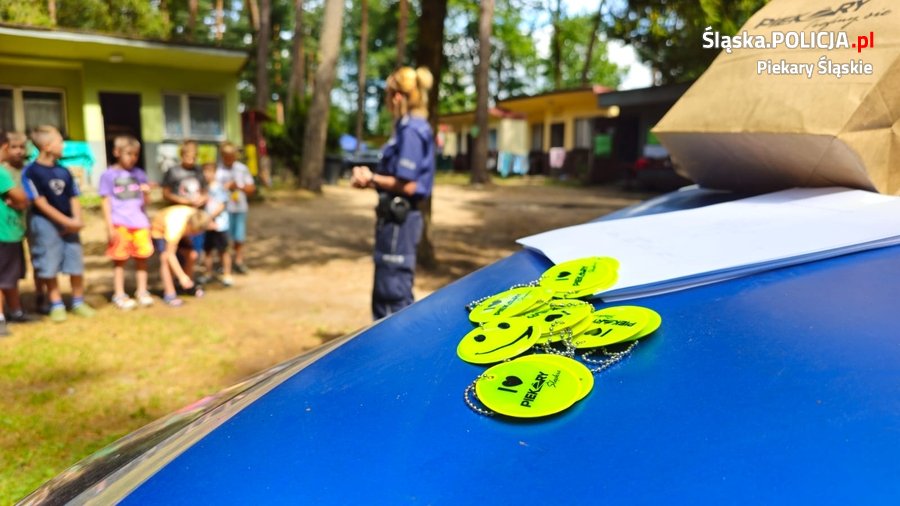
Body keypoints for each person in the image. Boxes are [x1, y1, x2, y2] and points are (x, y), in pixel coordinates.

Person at [351, 66, 436, 319]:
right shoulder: (407, 127)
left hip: (400, 221)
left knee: (392, 298)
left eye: (387, 96)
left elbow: (408, 185)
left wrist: (371, 179)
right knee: (388, 292)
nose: (387, 102)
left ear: (397, 96)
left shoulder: (411, 130)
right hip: (395, 220)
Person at [22, 125, 95, 322]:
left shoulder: (64, 171)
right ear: (47, 146)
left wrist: (76, 220)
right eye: (60, 142)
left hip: (70, 223)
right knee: (49, 264)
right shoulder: (31, 172)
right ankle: (56, 303)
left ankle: (78, 301)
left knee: (75, 262)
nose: (63, 146)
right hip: (45, 224)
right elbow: (40, 202)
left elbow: (73, 196)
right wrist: (66, 222)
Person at [99, 135, 153, 309]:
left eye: (136, 154)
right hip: (119, 223)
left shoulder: (139, 174)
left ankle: (142, 291)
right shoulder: (108, 175)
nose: (132, 158)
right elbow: (105, 202)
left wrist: (147, 193)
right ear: (117, 152)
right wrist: (109, 227)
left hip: (140, 223)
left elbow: (146, 203)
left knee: (142, 258)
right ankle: (119, 294)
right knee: (120, 260)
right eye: (129, 154)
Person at [0, 132, 33, 336]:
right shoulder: (1, 172)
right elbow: (20, 197)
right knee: (2, 278)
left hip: (11, 233)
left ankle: (16, 311)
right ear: (4, 147)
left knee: (10, 276)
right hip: (4, 234)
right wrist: (21, 200)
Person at [162, 140, 207, 286]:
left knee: (194, 252)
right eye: (188, 157)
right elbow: (166, 193)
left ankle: (188, 280)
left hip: (195, 219)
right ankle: (177, 280)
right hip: (178, 220)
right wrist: (183, 201)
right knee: (174, 251)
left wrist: (202, 199)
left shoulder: (198, 171)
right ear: (182, 155)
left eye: (194, 157)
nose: (191, 160)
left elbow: (205, 191)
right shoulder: (173, 171)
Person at [150, 205, 211, 306]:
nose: (195, 235)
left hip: (181, 230)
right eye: (194, 232)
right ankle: (169, 294)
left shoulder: (197, 215)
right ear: (189, 226)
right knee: (165, 258)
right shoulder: (175, 227)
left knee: (192, 254)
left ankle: (187, 287)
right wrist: (181, 276)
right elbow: (170, 254)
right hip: (159, 229)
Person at [215, 141, 255, 274]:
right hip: (222, 210)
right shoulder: (217, 170)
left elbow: (251, 188)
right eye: (226, 156)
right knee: (223, 238)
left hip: (239, 207)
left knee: (239, 237)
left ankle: (238, 261)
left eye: (232, 155)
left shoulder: (241, 168)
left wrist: (239, 186)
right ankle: (224, 263)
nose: (229, 158)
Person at [200, 162, 233, 286]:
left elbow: (221, 205)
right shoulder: (204, 188)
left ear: (215, 173)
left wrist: (209, 218)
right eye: (205, 172)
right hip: (208, 226)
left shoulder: (219, 188)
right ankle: (207, 274)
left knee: (223, 250)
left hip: (220, 226)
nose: (207, 175)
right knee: (207, 250)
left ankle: (227, 274)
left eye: (209, 172)